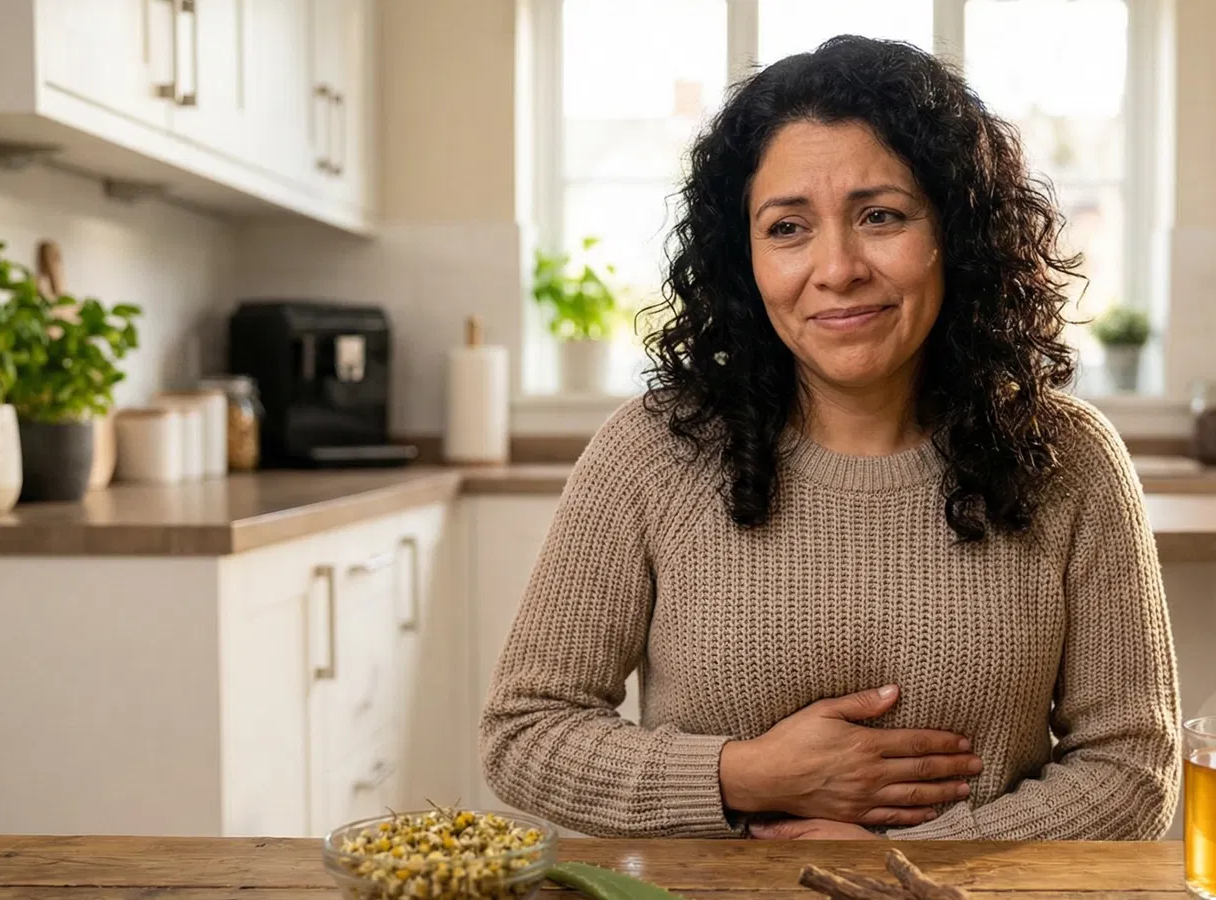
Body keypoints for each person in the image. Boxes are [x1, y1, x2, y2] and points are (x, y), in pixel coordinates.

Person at [481, 36, 1180, 840]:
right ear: (744, 258)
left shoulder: (1070, 457)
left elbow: (1132, 769)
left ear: (954, 232)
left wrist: (914, 863)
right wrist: (749, 775)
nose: (838, 267)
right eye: (787, 227)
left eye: (880, 216)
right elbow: (525, 735)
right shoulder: (650, 452)